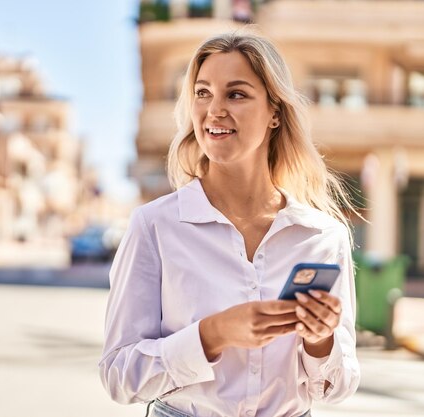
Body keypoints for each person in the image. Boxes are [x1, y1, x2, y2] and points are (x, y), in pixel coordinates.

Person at [99, 31, 360, 417]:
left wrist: (320, 340)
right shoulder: (155, 226)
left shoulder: (322, 236)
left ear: (275, 112)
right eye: (203, 93)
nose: (214, 110)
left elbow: (336, 389)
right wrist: (212, 335)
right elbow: (120, 376)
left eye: (235, 94)